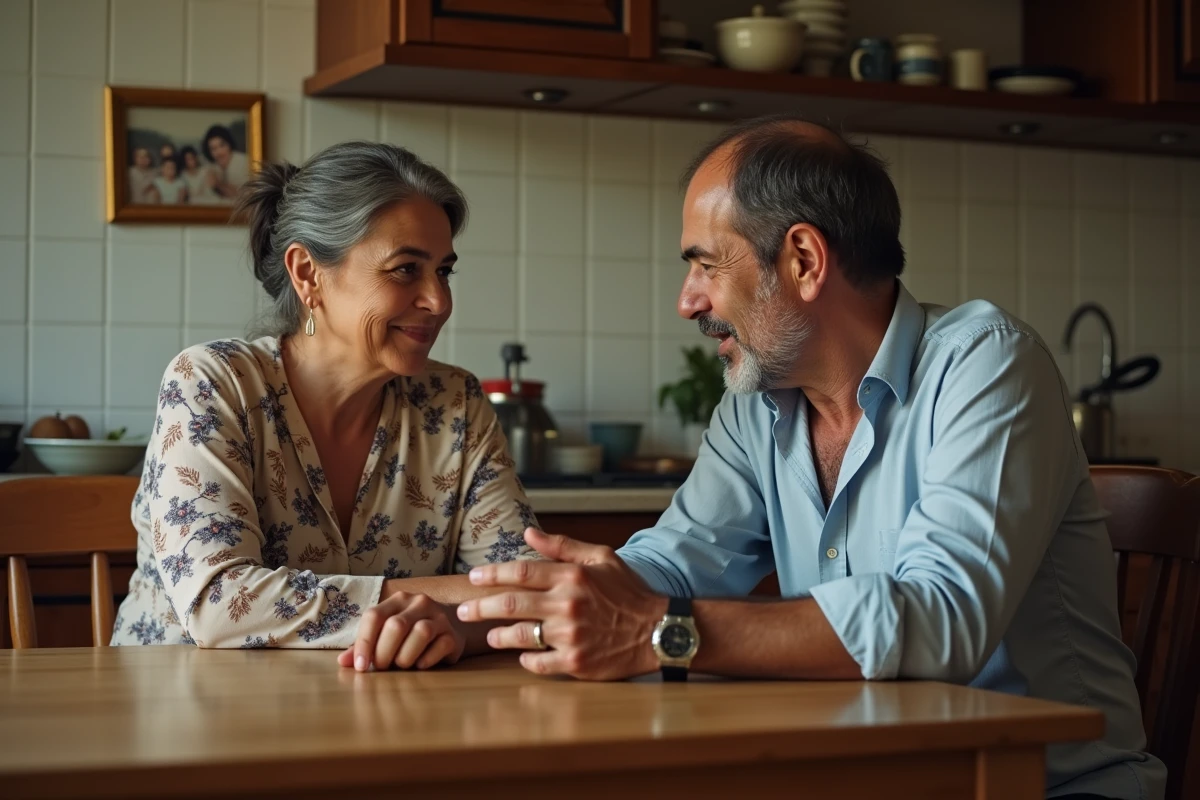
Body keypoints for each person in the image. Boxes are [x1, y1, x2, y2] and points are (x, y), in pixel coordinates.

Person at [456, 115, 1166, 800]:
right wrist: (479, 622)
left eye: (705, 263)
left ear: (802, 259)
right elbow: (667, 565)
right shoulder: (757, 405)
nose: (687, 300)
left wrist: (656, 632)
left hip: (1045, 786)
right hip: (867, 775)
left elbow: (943, 616)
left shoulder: (985, 364)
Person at [112, 141, 541, 674]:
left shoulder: (455, 404)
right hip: (186, 723)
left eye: (444, 271)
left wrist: (452, 622)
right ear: (308, 274)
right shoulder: (213, 384)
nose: (439, 300)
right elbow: (219, 603)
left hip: (379, 724)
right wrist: (442, 599)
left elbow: (531, 596)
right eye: (406, 269)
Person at [203, 124, 249, 203]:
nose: (219, 152)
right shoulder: (213, 167)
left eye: (222, 145)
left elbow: (245, 197)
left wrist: (218, 184)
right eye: (213, 149)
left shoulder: (244, 162)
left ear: (229, 144)